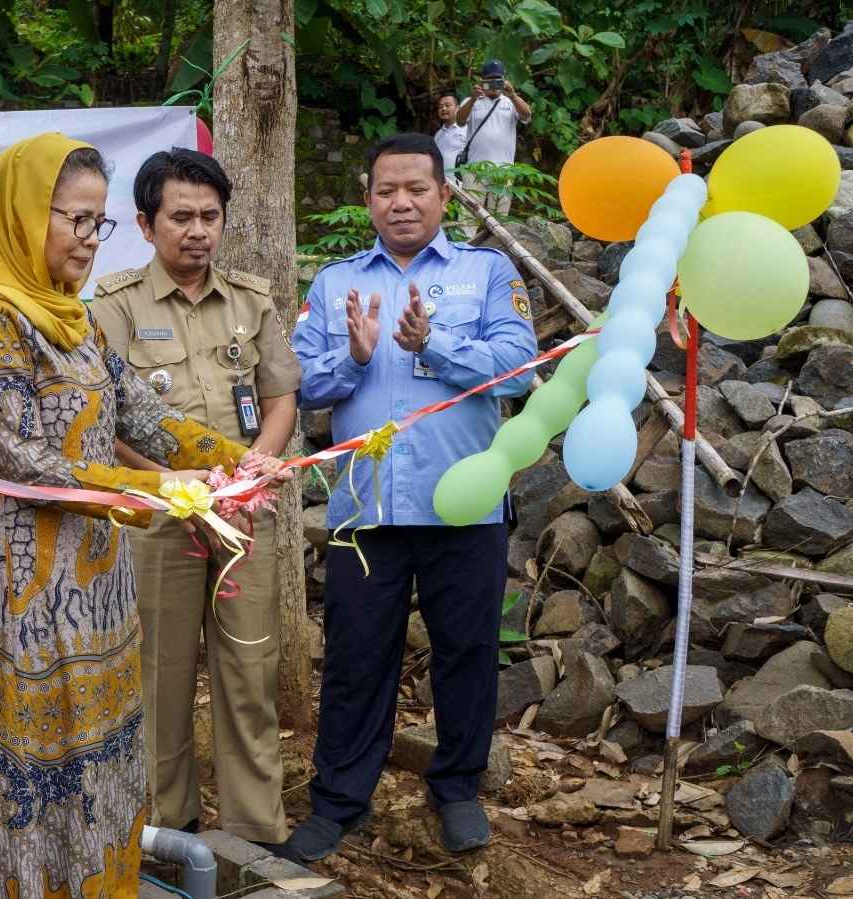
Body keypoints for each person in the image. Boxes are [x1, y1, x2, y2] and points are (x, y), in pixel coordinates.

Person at [0, 133, 275, 899]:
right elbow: (23, 458)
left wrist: (234, 461)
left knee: (105, 757)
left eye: (97, 223)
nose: (88, 240)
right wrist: (156, 488)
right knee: (34, 764)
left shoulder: (77, 322)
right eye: (73, 221)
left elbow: (145, 414)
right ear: (23, 217)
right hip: (30, 588)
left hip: (100, 581)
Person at [282, 133, 536, 862]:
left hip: (465, 503)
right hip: (367, 510)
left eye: (416, 189)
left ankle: (456, 787)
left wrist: (433, 346)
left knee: (467, 651)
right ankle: (339, 800)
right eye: (386, 190)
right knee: (358, 657)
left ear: (443, 196)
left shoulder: (487, 273)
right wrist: (355, 355)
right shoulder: (335, 284)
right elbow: (302, 388)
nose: (401, 202)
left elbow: (517, 369)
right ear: (367, 200)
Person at [93, 148, 300, 850]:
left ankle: (253, 833)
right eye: (181, 216)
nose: (198, 230)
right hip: (160, 520)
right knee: (161, 675)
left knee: (249, 670)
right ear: (146, 225)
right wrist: (170, 485)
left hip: (244, 514)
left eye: (210, 216)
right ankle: (165, 830)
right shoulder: (114, 307)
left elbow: (280, 395)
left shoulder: (251, 298)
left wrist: (259, 465)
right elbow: (107, 422)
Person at [453, 60, 533, 219]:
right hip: (475, 169)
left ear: (505, 80)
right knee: (468, 218)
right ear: (482, 81)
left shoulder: (510, 102)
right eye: (490, 80)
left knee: (499, 218)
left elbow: (527, 116)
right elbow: (459, 121)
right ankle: (467, 243)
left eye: (498, 80)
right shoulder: (472, 101)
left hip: (504, 170)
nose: (494, 84)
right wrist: (473, 99)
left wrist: (513, 95)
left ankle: (495, 244)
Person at [433, 94, 467, 176]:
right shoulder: (438, 134)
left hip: (461, 182)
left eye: (447, 105)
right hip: (442, 181)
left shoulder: (467, 130)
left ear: (458, 108)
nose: (443, 109)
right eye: (440, 107)